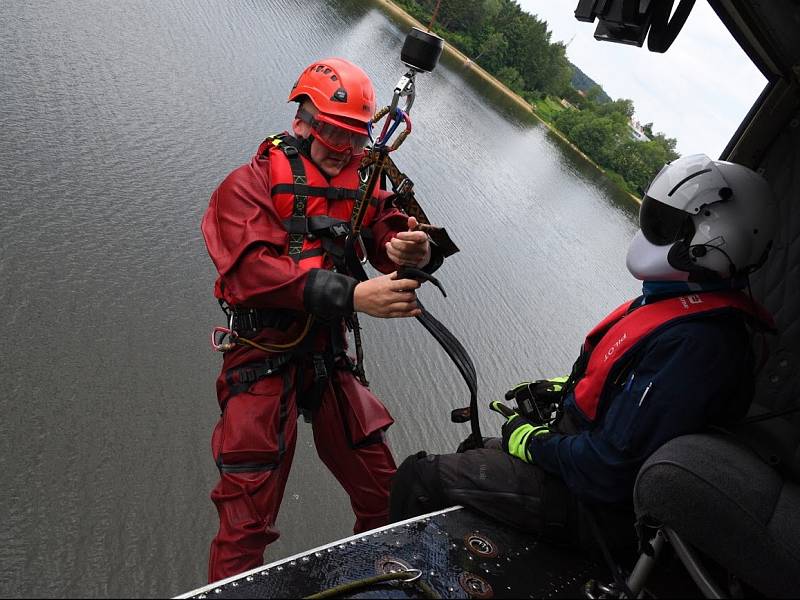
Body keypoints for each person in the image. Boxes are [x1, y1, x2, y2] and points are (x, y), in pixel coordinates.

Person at [389, 154, 778, 552]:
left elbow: (608, 471)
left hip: (602, 511)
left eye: (663, 226)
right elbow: (629, 392)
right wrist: (564, 390)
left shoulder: (700, 344)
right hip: (583, 475)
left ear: (714, 240)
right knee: (474, 451)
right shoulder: (682, 305)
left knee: (421, 479)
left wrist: (531, 442)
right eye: (651, 217)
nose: (646, 234)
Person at [200, 57, 445, 582]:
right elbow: (251, 275)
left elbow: (384, 232)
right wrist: (356, 295)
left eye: (355, 140)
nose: (344, 151)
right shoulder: (246, 185)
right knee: (246, 521)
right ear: (301, 122)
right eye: (333, 135)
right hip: (261, 355)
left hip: (327, 355)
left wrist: (408, 246)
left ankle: (373, 579)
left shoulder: (363, 182)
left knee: (386, 493)